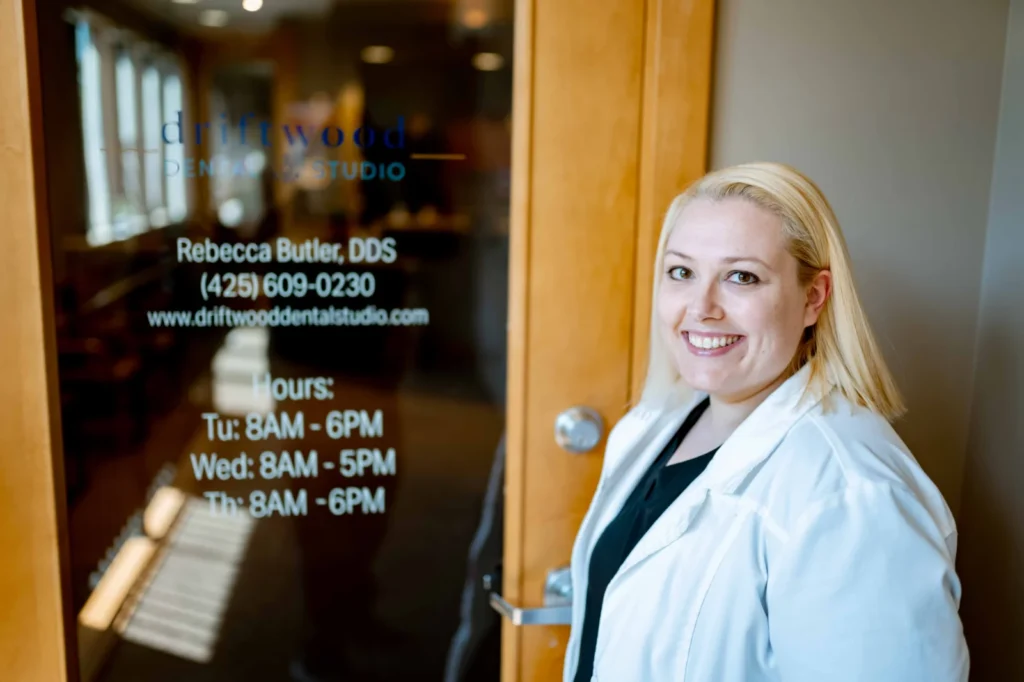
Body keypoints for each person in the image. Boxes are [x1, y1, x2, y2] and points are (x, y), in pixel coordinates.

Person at [565, 162, 969, 682]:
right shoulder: (653, 428)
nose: (701, 307)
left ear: (813, 298)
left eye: (742, 277)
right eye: (681, 272)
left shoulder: (849, 496)